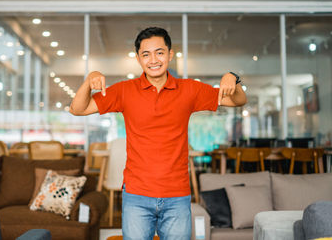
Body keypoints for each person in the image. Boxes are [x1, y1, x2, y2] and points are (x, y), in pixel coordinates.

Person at [70, 27, 247, 240]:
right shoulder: (124, 90)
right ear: (138, 59)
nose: (153, 59)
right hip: (136, 194)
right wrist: (89, 81)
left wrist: (233, 79)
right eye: (146, 54)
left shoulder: (190, 89)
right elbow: (77, 109)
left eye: (159, 52)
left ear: (170, 54)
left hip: (177, 195)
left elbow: (237, 101)